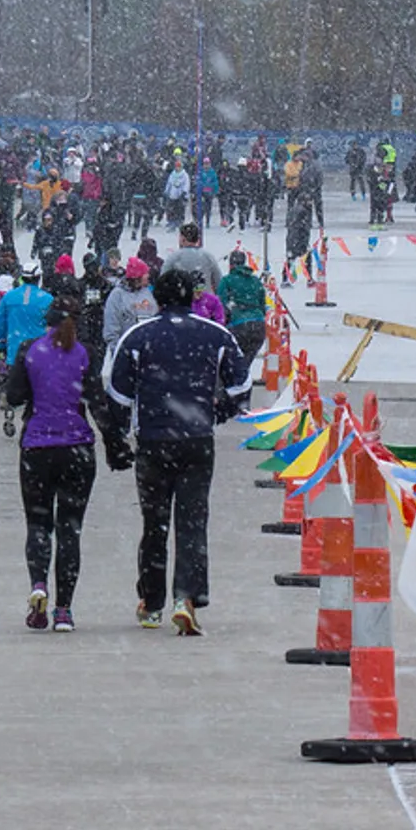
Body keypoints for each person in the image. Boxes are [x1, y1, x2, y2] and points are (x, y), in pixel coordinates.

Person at [104, 269, 250, 635]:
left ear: (158, 298)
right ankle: (186, 597)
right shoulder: (215, 334)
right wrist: (216, 412)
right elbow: (241, 385)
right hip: (197, 440)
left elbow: (118, 394)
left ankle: (151, 602)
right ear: (191, 297)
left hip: (153, 442)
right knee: (192, 521)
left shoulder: (139, 336)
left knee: (154, 524)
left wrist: (119, 437)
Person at [6, 296, 134, 633]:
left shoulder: (29, 350)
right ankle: (64, 610)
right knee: (69, 530)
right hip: (77, 449)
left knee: (37, 524)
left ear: (47, 321)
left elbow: (15, 395)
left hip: (36, 447)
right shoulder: (86, 353)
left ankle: (38, 585)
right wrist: (115, 443)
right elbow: (97, 403)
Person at [217, 249, 268, 374]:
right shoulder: (256, 281)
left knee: (232, 366)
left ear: (230, 264)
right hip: (259, 326)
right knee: (245, 365)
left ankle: (234, 388)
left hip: (238, 326)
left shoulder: (226, 280)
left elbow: (221, 305)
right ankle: (242, 383)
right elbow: (262, 305)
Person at [102, 256, 157, 347]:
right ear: (137, 277)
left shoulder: (149, 292)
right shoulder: (117, 295)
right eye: (145, 273)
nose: (148, 276)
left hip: (148, 349)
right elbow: (111, 324)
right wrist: (117, 348)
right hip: (125, 348)